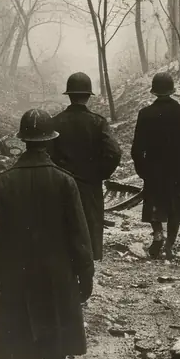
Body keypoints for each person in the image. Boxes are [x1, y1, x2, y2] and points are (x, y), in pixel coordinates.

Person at [0, 108, 94, 359]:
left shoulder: (4, 182)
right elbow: (79, 236)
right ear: (49, 142)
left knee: (22, 339)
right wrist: (85, 275)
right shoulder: (64, 182)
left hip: (17, 277)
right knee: (56, 342)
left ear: (24, 141)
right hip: (57, 277)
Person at [49, 72, 121, 261]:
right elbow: (114, 153)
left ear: (69, 95)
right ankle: (88, 268)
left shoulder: (55, 122)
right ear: (88, 96)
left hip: (61, 184)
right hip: (90, 185)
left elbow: (46, 154)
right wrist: (99, 174)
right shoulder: (98, 122)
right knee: (90, 225)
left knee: (64, 226)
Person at [131, 71, 180, 260]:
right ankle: (169, 244)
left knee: (155, 204)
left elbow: (137, 147)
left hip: (154, 170)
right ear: (172, 90)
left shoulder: (145, 114)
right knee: (175, 208)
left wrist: (142, 170)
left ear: (153, 91)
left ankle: (157, 235)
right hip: (179, 170)